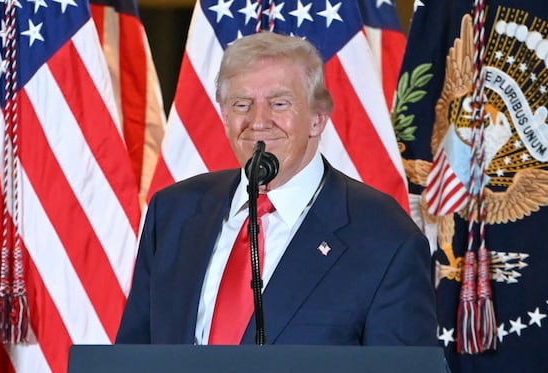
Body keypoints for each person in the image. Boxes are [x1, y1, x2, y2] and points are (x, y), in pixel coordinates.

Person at [115, 31, 438, 346]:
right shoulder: (174, 213)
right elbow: (134, 364)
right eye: (242, 104)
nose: (258, 121)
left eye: (279, 103)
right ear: (225, 116)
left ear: (317, 118)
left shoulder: (385, 236)